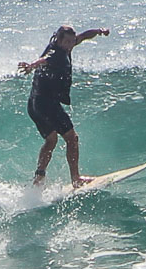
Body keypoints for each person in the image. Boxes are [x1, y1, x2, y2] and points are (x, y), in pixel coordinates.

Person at [18, 24, 110, 186]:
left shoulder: (66, 45)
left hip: (35, 103)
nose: (69, 45)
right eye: (66, 42)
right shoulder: (56, 54)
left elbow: (83, 36)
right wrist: (32, 65)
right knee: (72, 139)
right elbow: (45, 60)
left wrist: (98, 32)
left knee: (51, 140)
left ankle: (39, 178)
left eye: (71, 41)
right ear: (59, 40)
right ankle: (76, 178)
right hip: (47, 104)